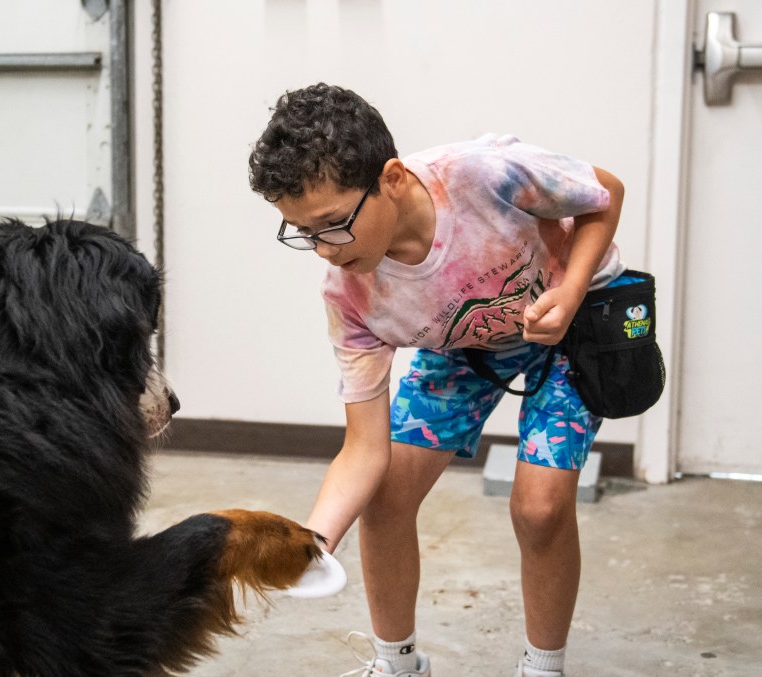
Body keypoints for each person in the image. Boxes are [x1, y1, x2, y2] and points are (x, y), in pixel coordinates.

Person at [248, 83, 626, 677]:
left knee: (540, 507)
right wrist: (310, 542)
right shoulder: (351, 296)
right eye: (302, 232)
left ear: (391, 179)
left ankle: (542, 667)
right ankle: (397, 664)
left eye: (331, 224)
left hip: (567, 325)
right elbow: (363, 448)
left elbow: (606, 194)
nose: (322, 249)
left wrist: (571, 289)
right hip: (460, 343)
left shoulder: (479, 176)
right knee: (386, 495)